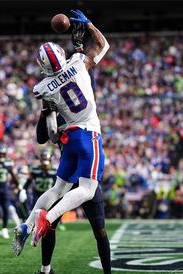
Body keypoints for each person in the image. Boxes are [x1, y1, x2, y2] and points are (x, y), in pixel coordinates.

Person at [13, 9, 110, 253]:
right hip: (88, 133)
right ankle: (48, 216)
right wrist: (88, 25)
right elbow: (103, 45)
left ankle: (26, 225)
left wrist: (57, 136)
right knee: (87, 190)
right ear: (61, 55)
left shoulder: (42, 88)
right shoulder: (77, 63)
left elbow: (51, 128)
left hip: (69, 139)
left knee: (57, 189)